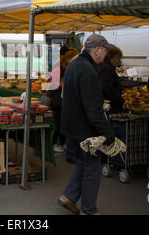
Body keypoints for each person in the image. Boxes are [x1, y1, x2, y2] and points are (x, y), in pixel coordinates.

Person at [58, 34, 115, 216]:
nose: (105, 55)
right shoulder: (88, 71)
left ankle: (69, 196)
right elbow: (92, 109)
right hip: (85, 129)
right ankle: (89, 210)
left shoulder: (74, 65)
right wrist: (107, 132)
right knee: (93, 168)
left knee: (85, 162)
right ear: (97, 50)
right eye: (105, 51)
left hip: (72, 126)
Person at [49, 46, 79, 154]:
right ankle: (53, 144)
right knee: (58, 123)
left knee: (62, 122)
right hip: (58, 99)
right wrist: (65, 85)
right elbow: (53, 84)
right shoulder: (58, 67)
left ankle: (63, 143)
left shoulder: (65, 66)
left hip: (63, 99)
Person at [97, 46, 125, 115]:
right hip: (110, 105)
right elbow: (107, 88)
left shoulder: (107, 67)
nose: (119, 61)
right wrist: (120, 100)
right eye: (118, 58)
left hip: (108, 103)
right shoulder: (107, 69)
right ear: (111, 57)